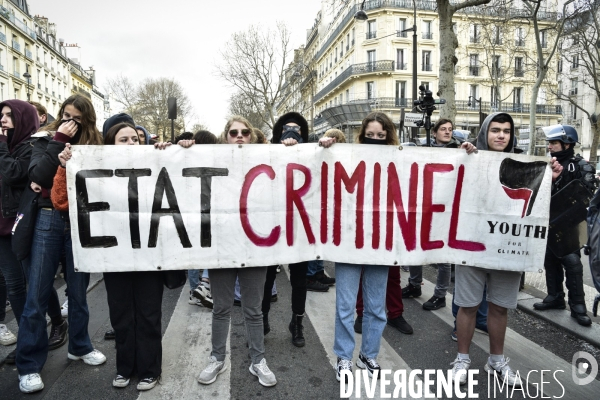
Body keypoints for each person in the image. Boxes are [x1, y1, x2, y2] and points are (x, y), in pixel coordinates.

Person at [319, 112, 437, 381]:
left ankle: (368, 355)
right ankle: (344, 358)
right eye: (370, 135)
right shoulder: (347, 156)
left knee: (375, 306)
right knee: (346, 306)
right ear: (362, 136)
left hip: (381, 245)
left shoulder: (400, 159)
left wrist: (467, 152)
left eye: (381, 136)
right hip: (349, 243)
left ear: (389, 137)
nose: (375, 140)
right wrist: (325, 147)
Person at [450, 113, 562, 388]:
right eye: (495, 130)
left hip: (507, 253)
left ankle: (497, 360)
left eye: (507, 131)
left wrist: (552, 180)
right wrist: (463, 157)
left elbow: (539, 207)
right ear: (485, 133)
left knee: (499, 309)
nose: (501, 135)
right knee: (468, 306)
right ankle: (462, 359)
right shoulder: (470, 158)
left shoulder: (528, 167)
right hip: (472, 249)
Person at [16, 95, 107, 394]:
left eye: (77, 119)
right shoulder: (44, 139)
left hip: (80, 222)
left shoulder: (96, 145)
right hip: (48, 219)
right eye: (66, 115)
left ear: (87, 121)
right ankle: (29, 364)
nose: (70, 122)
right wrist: (59, 141)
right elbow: (38, 175)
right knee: (37, 294)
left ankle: (79, 346)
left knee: (79, 291)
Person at [99, 119, 193, 390]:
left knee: (149, 313)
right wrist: (65, 162)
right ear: (110, 145)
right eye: (123, 140)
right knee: (121, 314)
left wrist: (179, 150)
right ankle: (125, 368)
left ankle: (150, 369)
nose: (131, 144)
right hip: (115, 254)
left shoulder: (154, 163)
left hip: (149, 253)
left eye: (135, 139)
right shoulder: (98, 168)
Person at [198, 116, 276, 387]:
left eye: (245, 132)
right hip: (222, 248)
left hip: (255, 248)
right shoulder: (214, 163)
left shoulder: (266, 162)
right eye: (233, 132)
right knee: (221, 308)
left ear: (252, 137)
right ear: (225, 137)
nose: (239, 136)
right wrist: (181, 147)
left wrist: (290, 145)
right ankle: (217, 358)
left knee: (254, 310)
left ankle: (258, 361)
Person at [533, 125, 595, 326]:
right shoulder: (546, 164)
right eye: (549, 143)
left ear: (567, 143)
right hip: (549, 220)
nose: (549, 146)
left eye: (553, 143)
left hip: (571, 224)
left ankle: (578, 306)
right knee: (550, 259)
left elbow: (584, 195)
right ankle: (555, 297)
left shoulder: (581, 166)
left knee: (572, 263)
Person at [264, 112, 311, 347]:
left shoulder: (311, 152)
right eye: (286, 128)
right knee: (268, 275)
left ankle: (297, 322)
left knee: (299, 279)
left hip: (300, 229)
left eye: (297, 128)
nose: (291, 132)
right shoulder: (268, 152)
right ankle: (262, 319)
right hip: (273, 226)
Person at [403, 119, 460, 310]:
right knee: (416, 248)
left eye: (450, 129)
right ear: (434, 132)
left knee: (443, 256)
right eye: (443, 129)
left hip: (445, 209)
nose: (447, 132)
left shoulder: (459, 151)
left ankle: (440, 295)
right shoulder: (424, 148)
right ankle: (414, 284)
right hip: (424, 206)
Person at [0, 100, 39, 359]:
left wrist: (0, 147)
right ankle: (30, 339)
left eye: (8, 115)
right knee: (13, 285)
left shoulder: (30, 147)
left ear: (23, 119)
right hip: (1, 226)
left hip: (18, 224)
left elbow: (14, 174)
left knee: (29, 286)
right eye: (0, 115)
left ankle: (34, 338)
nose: (2, 120)